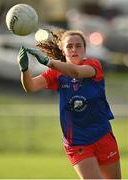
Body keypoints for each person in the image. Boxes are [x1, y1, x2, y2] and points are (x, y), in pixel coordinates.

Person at [17, 29, 121, 179]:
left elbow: (76, 72)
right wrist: (24, 69)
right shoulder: (55, 73)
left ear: (85, 49)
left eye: (78, 46)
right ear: (62, 50)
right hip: (77, 142)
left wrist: (49, 62)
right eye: (69, 46)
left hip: (102, 135)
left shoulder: (93, 64)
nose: (74, 49)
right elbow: (30, 86)